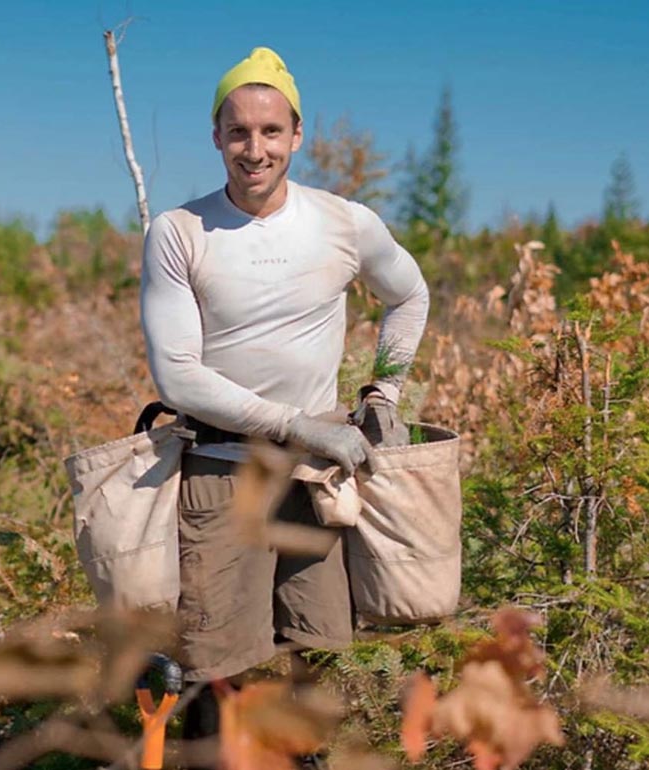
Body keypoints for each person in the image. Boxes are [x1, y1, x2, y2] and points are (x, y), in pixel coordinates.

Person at [140, 46, 429, 763]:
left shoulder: (344, 223)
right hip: (219, 471)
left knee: (318, 654)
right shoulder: (179, 232)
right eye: (238, 132)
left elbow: (410, 297)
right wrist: (295, 423)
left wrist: (384, 391)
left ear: (298, 135)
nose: (255, 148)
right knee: (212, 663)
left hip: (316, 480)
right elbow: (178, 377)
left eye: (271, 132)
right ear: (216, 138)